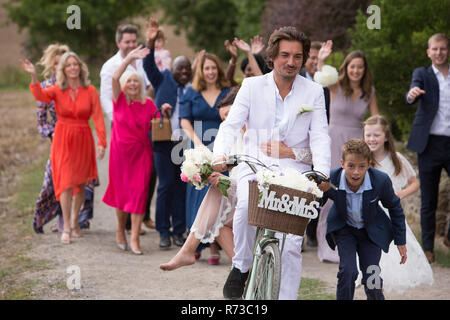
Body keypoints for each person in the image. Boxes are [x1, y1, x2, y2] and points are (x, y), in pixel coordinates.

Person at [212, 26, 330, 300]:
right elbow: (230, 126)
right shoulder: (252, 86)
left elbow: (321, 136)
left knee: (292, 245)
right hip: (254, 162)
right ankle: (241, 266)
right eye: (285, 55)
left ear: (303, 59)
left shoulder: (314, 92)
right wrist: (220, 154)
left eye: (297, 57)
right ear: (272, 57)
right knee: (244, 212)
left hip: (295, 169)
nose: (291, 62)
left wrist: (322, 171)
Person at [160, 86, 315, 271]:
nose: (230, 120)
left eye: (231, 114)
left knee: (218, 214)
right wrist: (210, 172)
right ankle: (245, 271)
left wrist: (287, 152)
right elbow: (233, 172)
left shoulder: (269, 126)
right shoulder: (230, 136)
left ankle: (236, 269)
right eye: (225, 118)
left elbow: (311, 156)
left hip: (272, 196)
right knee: (218, 209)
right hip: (246, 196)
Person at [21, 52, 107, 245]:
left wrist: (102, 141)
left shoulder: (90, 90)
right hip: (63, 138)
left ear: (80, 67)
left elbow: (98, 116)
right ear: (63, 69)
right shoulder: (57, 89)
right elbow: (40, 95)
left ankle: (76, 220)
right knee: (66, 182)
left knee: (82, 183)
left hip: (83, 138)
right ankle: (66, 226)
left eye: (75, 64)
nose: (72, 68)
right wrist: (33, 75)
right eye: (68, 65)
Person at [315, 43, 379, 263]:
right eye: (352, 66)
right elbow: (321, 76)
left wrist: (376, 145)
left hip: (357, 148)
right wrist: (322, 59)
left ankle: (348, 244)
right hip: (334, 143)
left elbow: (374, 121)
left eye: (360, 67)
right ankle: (326, 246)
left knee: (352, 195)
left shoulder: (369, 92)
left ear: (364, 69)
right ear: (346, 67)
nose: (356, 70)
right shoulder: (336, 85)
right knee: (331, 192)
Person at [321, 139, 406, 300]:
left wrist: (400, 240)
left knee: (371, 275)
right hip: (345, 229)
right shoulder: (331, 179)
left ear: (369, 165)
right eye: (351, 166)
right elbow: (316, 203)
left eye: (361, 166)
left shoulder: (380, 180)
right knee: (348, 271)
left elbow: (395, 208)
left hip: (371, 233)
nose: (356, 172)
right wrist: (320, 192)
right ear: (342, 163)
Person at [363, 115, 433, 293]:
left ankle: (388, 280)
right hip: (370, 214)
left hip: (391, 213)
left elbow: (414, 182)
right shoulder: (362, 159)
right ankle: (371, 281)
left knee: (395, 252)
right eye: (368, 135)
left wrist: (400, 194)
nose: (371, 139)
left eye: (376, 135)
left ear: (386, 137)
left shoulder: (397, 159)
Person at [100, 23, 156, 233]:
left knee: (146, 176)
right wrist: (120, 117)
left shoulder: (142, 60)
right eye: (127, 42)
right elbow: (106, 96)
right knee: (123, 179)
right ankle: (124, 224)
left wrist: (145, 110)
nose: (132, 45)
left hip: (142, 122)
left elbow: (149, 87)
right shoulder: (110, 66)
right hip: (121, 124)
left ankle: (142, 216)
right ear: (119, 43)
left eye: (134, 41)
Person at [179, 51, 233, 263]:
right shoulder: (191, 92)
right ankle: (197, 242)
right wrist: (197, 142)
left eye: (213, 67)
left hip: (222, 147)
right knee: (198, 193)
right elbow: (184, 121)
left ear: (218, 69)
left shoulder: (228, 91)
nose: (210, 72)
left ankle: (214, 245)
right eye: (206, 68)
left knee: (217, 191)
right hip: (198, 146)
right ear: (200, 71)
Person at [143, 18, 190, 250]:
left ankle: (178, 229)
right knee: (165, 186)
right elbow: (148, 66)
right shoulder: (163, 80)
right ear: (173, 69)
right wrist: (151, 42)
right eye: (180, 68)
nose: (183, 72)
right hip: (163, 142)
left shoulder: (192, 88)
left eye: (187, 69)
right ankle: (163, 230)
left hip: (184, 144)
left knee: (181, 186)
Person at [405, 33, 450, 263]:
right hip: (429, 143)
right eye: (435, 49)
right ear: (428, 52)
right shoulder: (422, 74)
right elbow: (412, 92)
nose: (439, 52)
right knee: (429, 200)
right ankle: (428, 248)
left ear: (447, 50)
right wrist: (412, 94)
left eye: (443, 48)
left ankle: (449, 235)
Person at [299, 40, 332, 247]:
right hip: (299, 145)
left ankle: (312, 231)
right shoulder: (296, 79)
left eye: (316, 58)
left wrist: (322, 63)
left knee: (319, 187)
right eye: (311, 57)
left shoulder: (325, 83)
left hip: (319, 142)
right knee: (300, 186)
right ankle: (300, 232)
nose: (313, 61)